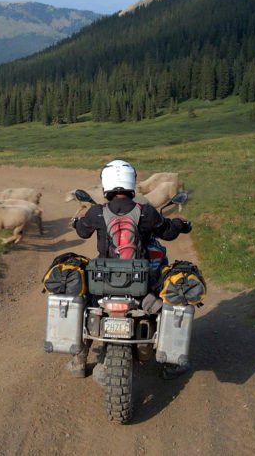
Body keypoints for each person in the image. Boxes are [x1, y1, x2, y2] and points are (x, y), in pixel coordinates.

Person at [68, 159, 192, 380]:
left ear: (106, 183)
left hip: (102, 286)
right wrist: (180, 224)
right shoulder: (146, 212)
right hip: (141, 286)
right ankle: (171, 363)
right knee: (170, 300)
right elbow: (168, 232)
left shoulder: (97, 212)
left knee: (83, 304)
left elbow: (82, 232)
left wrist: (77, 221)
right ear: (131, 182)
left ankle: (79, 360)